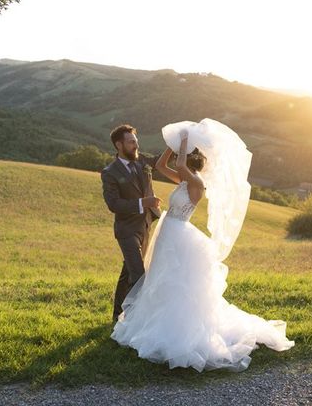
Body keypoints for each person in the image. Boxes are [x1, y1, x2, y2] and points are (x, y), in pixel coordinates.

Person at [110, 118, 294, 372]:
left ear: (198, 164)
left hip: (178, 234)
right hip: (169, 231)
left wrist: (185, 138)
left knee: (174, 282)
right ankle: (150, 319)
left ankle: (172, 328)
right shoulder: (185, 181)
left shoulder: (197, 184)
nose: (183, 163)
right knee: (159, 278)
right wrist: (173, 145)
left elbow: (180, 163)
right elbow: (164, 164)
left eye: (188, 159)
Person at [101, 124, 162, 324]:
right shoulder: (110, 172)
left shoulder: (141, 161)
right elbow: (113, 204)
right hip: (126, 230)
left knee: (128, 271)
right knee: (138, 275)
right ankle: (137, 322)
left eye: (136, 141)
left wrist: (180, 142)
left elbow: (160, 160)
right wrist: (142, 202)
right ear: (119, 145)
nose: (136, 145)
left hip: (145, 225)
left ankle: (116, 315)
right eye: (131, 142)